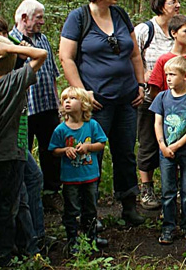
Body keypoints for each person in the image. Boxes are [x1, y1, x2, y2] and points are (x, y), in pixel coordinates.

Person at [58, 0, 146, 226]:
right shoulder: (79, 18)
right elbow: (67, 57)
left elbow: (135, 54)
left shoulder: (120, 14)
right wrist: (83, 92)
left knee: (126, 152)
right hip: (97, 103)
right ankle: (89, 213)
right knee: (91, 154)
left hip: (127, 99)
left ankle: (129, 206)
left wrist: (140, 84)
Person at [0, 33, 48, 266]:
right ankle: (2, 254)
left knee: (2, 200)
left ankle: (13, 246)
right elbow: (41, 54)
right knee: (8, 204)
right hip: (12, 152)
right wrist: (12, 49)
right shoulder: (16, 80)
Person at [10, 0, 62, 205]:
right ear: (24, 18)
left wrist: (57, 103)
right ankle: (24, 197)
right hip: (24, 110)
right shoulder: (10, 42)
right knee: (23, 152)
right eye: (38, 17)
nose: (42, 21)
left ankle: (51, 194)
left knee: (51, 152)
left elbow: (51, 74)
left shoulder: (43, 40)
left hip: (47, 107)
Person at [150, 56, 186, 244]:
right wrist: (163, 146)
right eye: (167, 75)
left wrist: (176, 145)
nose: (168, 78)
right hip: (165, 152)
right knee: (168, 190)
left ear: (185, 76)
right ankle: (168, 226)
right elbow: (157, 123)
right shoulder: (161, 97)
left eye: (173, 74)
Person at [134, 0, 180, 211]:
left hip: (174, 97)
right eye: (173, 2)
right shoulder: (145, 29)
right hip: (149, 96)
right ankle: (146, 187)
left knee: (174, 139)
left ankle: (171, 187)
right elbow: (132, 57)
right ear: (162, 5)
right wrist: (142, 80)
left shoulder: (177, 30)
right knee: (148, 141)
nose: (178, 6)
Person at [49, 87, 108, 255]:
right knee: (72, 209)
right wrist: (65, 150)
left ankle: (91, 239)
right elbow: (54, 150)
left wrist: (89, 147)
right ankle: (73, 240)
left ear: (83, 104)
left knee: (90, 209)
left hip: (90, 176)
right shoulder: (60, 129)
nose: (67, 101)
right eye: (64, 98)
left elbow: (102, 144)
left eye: (72, 98)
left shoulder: (92, 125)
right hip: (70, 178)